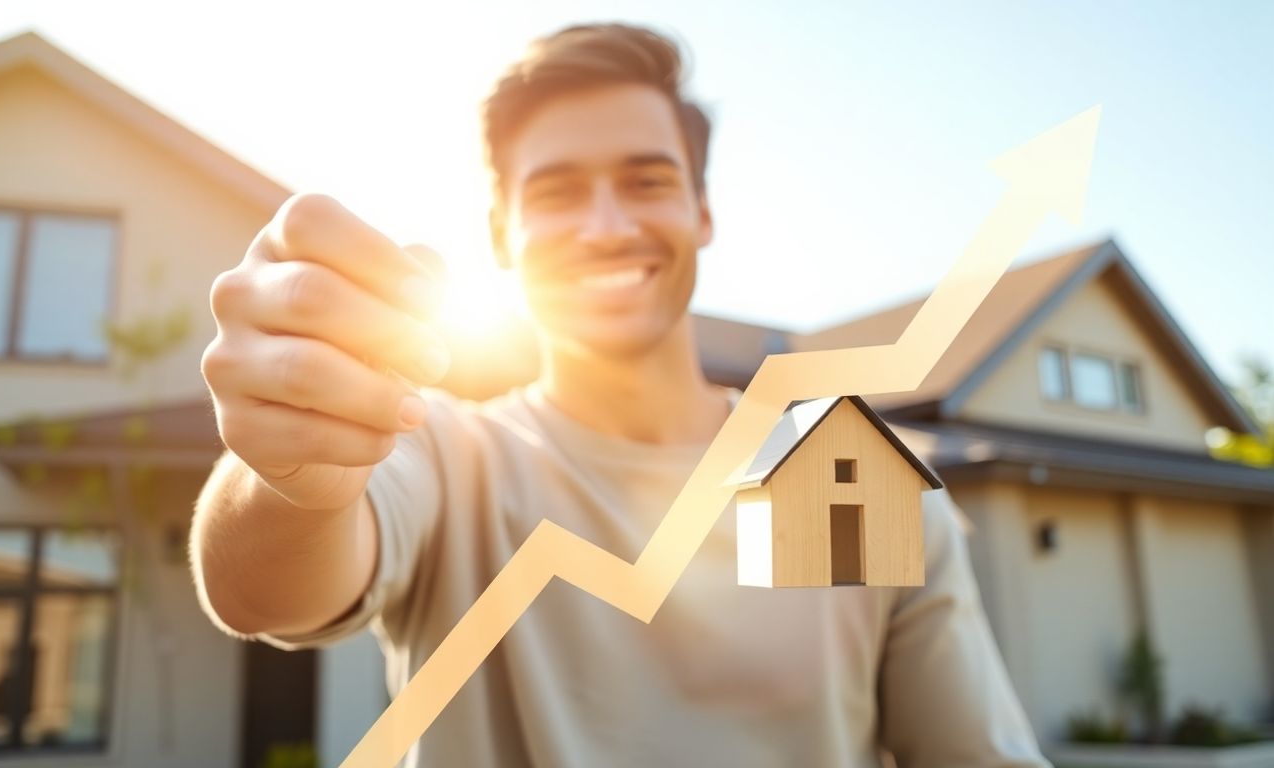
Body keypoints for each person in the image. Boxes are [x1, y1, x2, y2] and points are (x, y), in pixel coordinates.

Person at [191, 22, 1048, 767]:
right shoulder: (445, 453)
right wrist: (291, 473)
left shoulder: (847, 477)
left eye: (646, 181)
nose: (605, 227)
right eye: (557, 191)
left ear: (702, 211)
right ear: (500, 234)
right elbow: (258, 594)